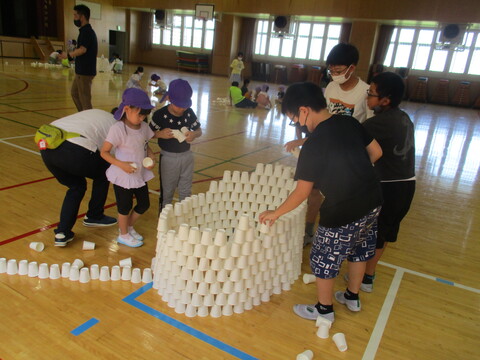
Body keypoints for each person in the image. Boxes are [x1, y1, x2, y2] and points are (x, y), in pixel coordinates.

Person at [259, 82, 383, 323]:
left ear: (304, 110)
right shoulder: (349, 122)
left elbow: (302, 193)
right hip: (373, 200)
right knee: (358, 249)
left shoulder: (313, 146)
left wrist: (275, 212)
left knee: (323, 257)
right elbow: (377, 152)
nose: (297, 124)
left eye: (294, 119)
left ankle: (324, 310)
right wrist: (353, 170)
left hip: (343, 210)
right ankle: (351, 297)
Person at [357, 72, 415, 291]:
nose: (367, 98)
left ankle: (363, 279)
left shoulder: (379, 123)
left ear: (385, 100)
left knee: (375, 233)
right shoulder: (403, 117)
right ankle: (368, 275)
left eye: (371, 94)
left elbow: (350, 137)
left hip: (390, 187)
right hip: (408, 185)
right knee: (386, 231)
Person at [39, 109, 118, 247]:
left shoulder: (97, 113)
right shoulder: (116, 126)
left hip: (47, 148)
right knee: (104, 173)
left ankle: (62, 232)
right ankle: (95, 215)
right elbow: (115, 156)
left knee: (76, 186)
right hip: (72, 148)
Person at [100, 89, 158, 248]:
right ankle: (123, 234)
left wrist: (151, 157)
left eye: (145, 115)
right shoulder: (118, 129)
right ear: (127, 109)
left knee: (144, 204)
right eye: (140, 114)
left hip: (139, 174)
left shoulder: (143, 126)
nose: (142, 118)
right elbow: (104, 153)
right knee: (124, 207)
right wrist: (122, 165)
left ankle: (129, 227)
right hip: (123, 176)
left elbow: (145, 145)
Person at [149, 79, 202, 210]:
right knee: (167, 192)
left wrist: (193, 134)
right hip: (168, 158)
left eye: (185, 105)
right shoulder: (160, 115)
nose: (182, 109)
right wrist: (160, 134)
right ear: (169, 99)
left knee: (185, 191)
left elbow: (199, 130)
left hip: (187, 156)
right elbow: (147, 133)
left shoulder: (189, 112)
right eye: (179, 105)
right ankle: (164, 220)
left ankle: (183, 219)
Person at [61, 4, 98, 112]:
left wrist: (67, 56)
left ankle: (88, 121)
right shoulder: (84, 31)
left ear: (82, 16)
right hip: (81, 71)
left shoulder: (87, 32)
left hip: (85, 72)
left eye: (75, 15)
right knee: (75, 93)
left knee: (85, 99)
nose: (74, 17)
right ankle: (82, 116)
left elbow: (82, 49)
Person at [324, 43, 373, 123]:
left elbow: (370, 122)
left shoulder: (366, 91)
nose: (334, 75)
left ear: (351, 68)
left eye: (338, 71)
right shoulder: (331, 86)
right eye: (331, 71)